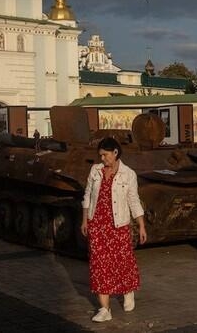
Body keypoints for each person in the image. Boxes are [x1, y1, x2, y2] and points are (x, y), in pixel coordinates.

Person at [81, 137, 147, 322]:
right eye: (100, 155)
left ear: (115, 153)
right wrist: (85, 220)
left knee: (122, 262)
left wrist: (141, 225)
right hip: (98, 225)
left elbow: (133, 200)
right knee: (99, 265)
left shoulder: (128, 174)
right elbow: (87, 196)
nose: (102, 158)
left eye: (105, 154)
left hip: (118, 225)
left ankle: (127, 290)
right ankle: (105, 309)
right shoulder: (95, 171)